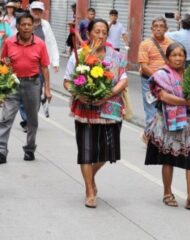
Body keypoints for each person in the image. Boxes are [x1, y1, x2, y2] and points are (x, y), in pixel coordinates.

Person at [63, 18, 128, 208]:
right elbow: (67, 81)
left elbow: (123, 79)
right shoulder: (79, 56)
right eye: (96, 31)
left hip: (110, 109)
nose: (100, 35)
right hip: (85, 109)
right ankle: (89, 190)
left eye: (104, 32)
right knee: (86, 151)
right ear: (89, 33)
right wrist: (79, 94)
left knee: (108, 151)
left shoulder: (115, 56)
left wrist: (108, 93)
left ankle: (90, 179)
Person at [144, 42, 190, 210]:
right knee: (168, 159)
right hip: (168, 122)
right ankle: (167, 192)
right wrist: (188, 102)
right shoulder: (161, 75)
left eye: (181, 55)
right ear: (168, 57)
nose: (178, 58)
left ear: (185, 57)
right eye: (174, 55)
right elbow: (163, 96)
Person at [0, 12, 52, 164]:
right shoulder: (9, 42)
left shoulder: (40, 43)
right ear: (18, 26)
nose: (26, 27)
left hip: (33, 84)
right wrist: (3, 67)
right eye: (23, 25)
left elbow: (45, 68)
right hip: (13, 84)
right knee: (6, 117)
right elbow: (1, 64)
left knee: (32, 120)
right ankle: (0, 151)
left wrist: (47, 89)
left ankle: (30, 149)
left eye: (29, 24)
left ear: (33, 26)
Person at [17, 0, 59, 131]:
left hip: (40, 66)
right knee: (22, 94)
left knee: (36, 94)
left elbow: (51, 43)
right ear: (30, 11)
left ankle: (31, 118)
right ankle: (27, 120)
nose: (37, 13)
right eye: (35, 10)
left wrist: (56, 61)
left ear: (42, 13)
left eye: (39, 11)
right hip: (23, 64)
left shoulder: (45, 25)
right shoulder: (23, 23)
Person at [138, 16, 172, 127]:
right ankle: (151, 138)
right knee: (151, 110)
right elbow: (143, 66)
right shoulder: (145, 44)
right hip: (148, 81)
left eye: (161, 26)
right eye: (156, 26)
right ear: (151, 29)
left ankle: (161, 138)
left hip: (166, 83)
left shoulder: (171, 44)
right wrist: (157, 78)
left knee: (166, 110)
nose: (158, 29)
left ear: (166, 29)